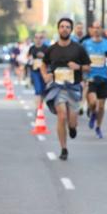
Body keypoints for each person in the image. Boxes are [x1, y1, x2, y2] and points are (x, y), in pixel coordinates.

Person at [41, 18, 91, 160]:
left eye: (67, 27)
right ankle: (64, 149)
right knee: (61, 116)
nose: (64, 29)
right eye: (62, 26)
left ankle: (73, 127)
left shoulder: (78, 49)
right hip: (57, 87)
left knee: (72, 120)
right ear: (58, 29)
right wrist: (45, 75)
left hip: (73, 87)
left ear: (71, 30)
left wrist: (79, 67)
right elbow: (44, 64)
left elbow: (88, 66)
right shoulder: (52, 49)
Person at [83, 21, 107, 139]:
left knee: (101, 106)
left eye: (98, 28)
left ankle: (98, 127)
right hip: (91, 77)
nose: (96, 30)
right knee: (93, 102)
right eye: (94, 28)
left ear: (101, 30)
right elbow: (81, 57)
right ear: (91, 30)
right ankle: (92, 113)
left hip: (104, 77)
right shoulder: (86, 44)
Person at [28, 33, 49, 110]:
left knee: (43, 90)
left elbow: (50, 60)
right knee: (38, 89)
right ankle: (38, 108)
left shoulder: (46, 48)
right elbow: (28, 59)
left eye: (40, 38)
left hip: (44, 72)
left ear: (43, 39)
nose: (38, 39)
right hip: (35, 71)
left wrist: (44, 56)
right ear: (34, 39)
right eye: (36, 38)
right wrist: (32, 60)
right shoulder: (32, 48)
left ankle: (40, 104)